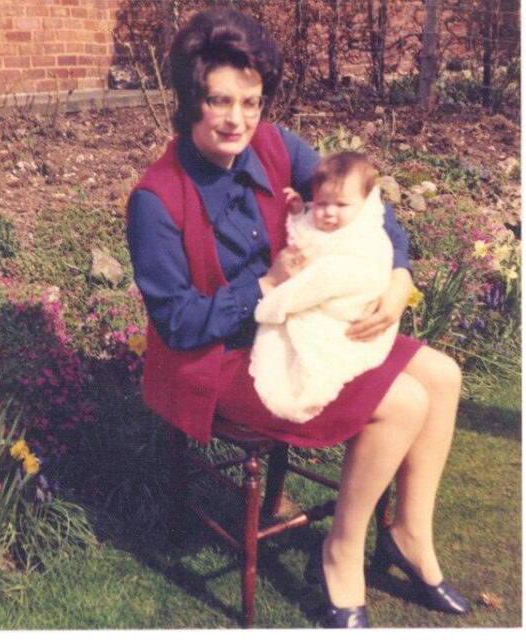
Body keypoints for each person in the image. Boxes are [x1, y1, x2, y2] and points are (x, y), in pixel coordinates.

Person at [127, 8, 470, 628]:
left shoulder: (276, 145)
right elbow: (177, 324)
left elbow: (368, 209)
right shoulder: (156, 198)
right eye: (220, 101)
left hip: (300, 325)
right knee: (405, 402)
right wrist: (262, 284)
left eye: (251, 101)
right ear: (189, 101)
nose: (238, 119)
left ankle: (408, 536)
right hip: (220, 357)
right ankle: (342, 553)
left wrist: (399, 279)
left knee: (442, 376)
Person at [250, 152, 399, 424]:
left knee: (313, 360)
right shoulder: (323, 224)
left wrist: (270, 306)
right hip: (318, 303)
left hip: (347, 316)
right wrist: (297, 213)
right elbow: (305, 239)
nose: (328, 212)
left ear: (364, 205)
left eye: (341, 205)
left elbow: (324, 279)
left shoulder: (364, 239)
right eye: (321, 203)